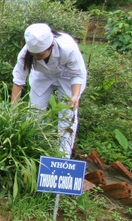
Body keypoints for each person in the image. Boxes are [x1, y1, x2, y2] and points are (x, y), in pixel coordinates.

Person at [10, 23, 87, 158]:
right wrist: (13, 110)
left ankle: (62, 157)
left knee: (67, 116)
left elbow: (77, 75)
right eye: (34, 55)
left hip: (67, 77)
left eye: (40, 54)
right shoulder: (25, 54)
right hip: (42, 76)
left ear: (51, 46)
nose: (37, 58)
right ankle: (34, 152)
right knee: (34, 112)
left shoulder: (68, 48)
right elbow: (18, 82)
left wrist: (75, 96)